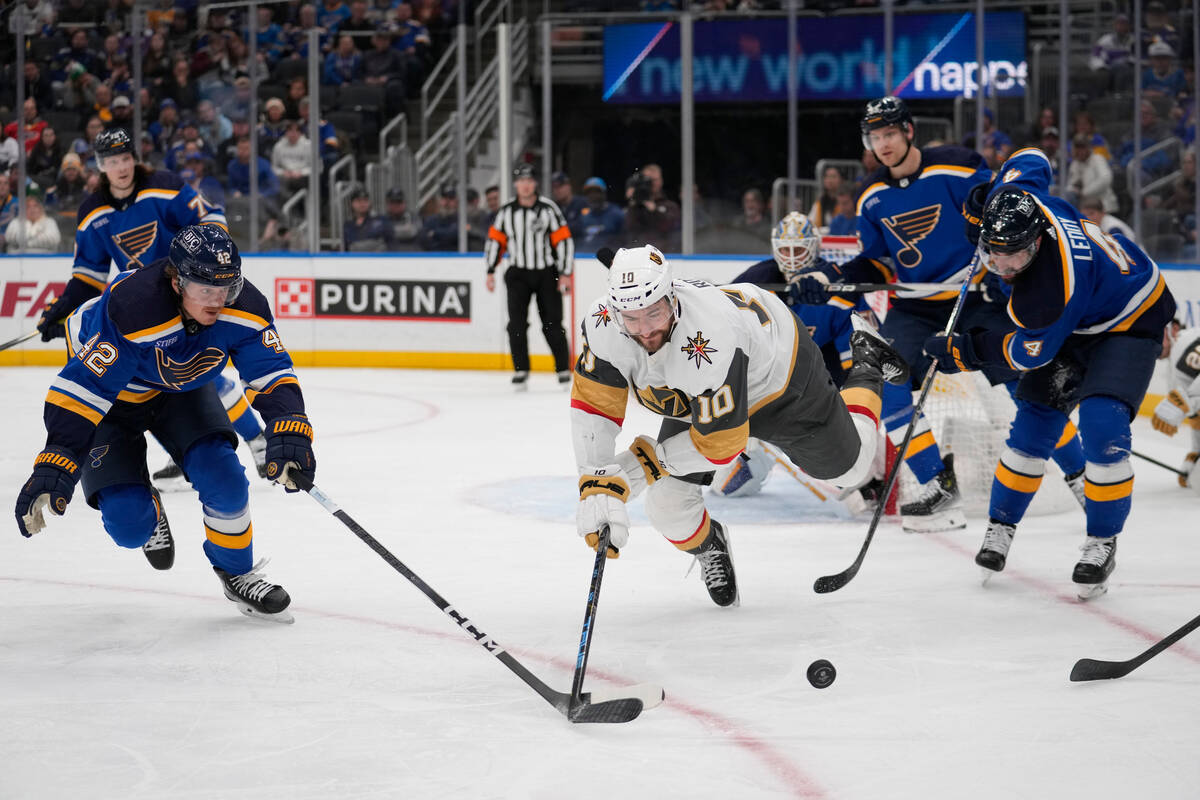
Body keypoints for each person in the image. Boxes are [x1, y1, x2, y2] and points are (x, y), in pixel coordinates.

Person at [790, 97, 1086, 533]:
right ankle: (937, 484)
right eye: (875, 137)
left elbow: (1002, 212)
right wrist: (828, 276)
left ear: (909, 131)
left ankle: (1082, 476)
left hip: (975, 296)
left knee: (1028, 387)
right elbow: (876, 263)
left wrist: (992, 253)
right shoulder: (870, 196)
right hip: (914, 306)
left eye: (890, 133)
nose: (883, 143)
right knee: (889, 385)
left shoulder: (958, 165)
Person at [569, 244, 909, 606]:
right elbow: (594, 406)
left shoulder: (708, 339)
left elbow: (721, 444)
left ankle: (867, 364)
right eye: (631, 318)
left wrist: (631, 474)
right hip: (699, 397)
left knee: (849, 469)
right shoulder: (604, 322)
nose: (644, 331)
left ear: (671, 298)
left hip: (778, 375)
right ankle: (709, 545)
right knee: (667, 507)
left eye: (654, 313)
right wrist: (595, 480)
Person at [14, 225, 315, 622]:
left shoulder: (245, 306)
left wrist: (290, 424)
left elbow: (271, 371)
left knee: (225, 478)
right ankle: (149, 508)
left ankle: (237, 573)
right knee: (128, 526)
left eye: (226, 288)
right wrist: (57, 457)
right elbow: (85, 389)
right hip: (113, 404)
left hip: (181, 392)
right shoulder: (134, 307)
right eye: (205, 290)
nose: (218, 302)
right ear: (176, 281)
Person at [926, 148, 1176, 599]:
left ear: (1037, 243)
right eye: (992, 253)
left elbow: (1027, 353)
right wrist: (986, 193)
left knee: (1102, 427)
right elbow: (1033, 157)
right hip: (1086, 310)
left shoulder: (1046, 292)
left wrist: (965, 351)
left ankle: (1102, 542)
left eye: (1013, 259)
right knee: (1031, 430)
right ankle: (1001, 528)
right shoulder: (1019, 198)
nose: (1001, 266)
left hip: (1130, 318)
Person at [33, 129, 268, 485]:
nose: (121, 167)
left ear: (134, 159)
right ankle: (194, 443)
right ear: (100, 167)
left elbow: (212, 222)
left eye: (125, 159)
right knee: (149, 381)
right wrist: (63, 308)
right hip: (142, 309)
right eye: (112, 162)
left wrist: (207, 272)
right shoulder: (92, 212)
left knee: (201, 374)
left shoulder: (164, 186)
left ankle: (253, 438)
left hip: (187, 298)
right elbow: (88, 277)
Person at [484, 163, 574, 389]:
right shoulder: (506, 212)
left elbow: (563, 241)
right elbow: (495, 241)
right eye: (521, 181)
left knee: (553, 322)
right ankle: (521, 370)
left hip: (546, 273)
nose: (525, 185)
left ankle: (563, 369)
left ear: (535, 183)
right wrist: (490, 270)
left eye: (529, 180)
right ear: (516, 184)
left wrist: (564, 273)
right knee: (516, 323)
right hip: (517, 274)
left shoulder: (548, 209)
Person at [1150, 319, 1200, 488]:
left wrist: (1186, 397)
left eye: (1157, 332)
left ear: (1174, 329)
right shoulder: (1175, 369)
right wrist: (1196, 453)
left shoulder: (1185, 342)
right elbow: (1197, 418)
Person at [1066, 134, 1117, 211]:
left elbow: (1106, 179)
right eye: (1077, 148)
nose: (1080, 151)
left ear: (1089, 148)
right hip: (1085, 207)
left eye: (1082, 147)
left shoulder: (1098, 159)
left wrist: (1084, 192)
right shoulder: (1075, 164)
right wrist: (1073, 189)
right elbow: (1071, 185)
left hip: (1104, 205)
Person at [573, 176, 624, 252]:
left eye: (596, 192)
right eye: (589, 193)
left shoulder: (616, 214)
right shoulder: (584, 216)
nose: (593, 196)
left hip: (608, 259)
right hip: (583, 258)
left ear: (604, 193)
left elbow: (625, 240)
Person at [343, 185, 387, 250]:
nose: (362, 203)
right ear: (352, 203)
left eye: (365, 200)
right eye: (358, 200)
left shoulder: (380, 221)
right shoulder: (348, 225)